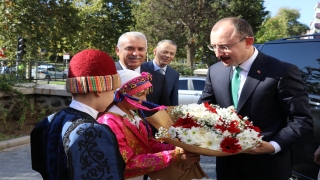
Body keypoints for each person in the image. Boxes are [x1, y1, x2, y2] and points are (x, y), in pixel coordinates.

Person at [198, 17, 313, 180]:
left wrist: (272, 146)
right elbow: (204, 109)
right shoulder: (215, 71)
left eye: (224, 47)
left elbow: (301, 119)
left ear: (248, 41)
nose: (218, 54)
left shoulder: (281, 71)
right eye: (214, 47)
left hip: (268, 168)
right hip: (227, 167)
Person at [31, 49, 125, 180]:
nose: (114, 96)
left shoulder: (49, 121)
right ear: (99, 89)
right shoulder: (93, 132)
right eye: (113, 90)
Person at [97, 69, 200, 179]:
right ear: (120, 95)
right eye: (139, 95)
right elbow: (126, 163)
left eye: (145, 94)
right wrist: (174, 155)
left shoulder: (134, 114)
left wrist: (177, 148)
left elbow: (149, 145)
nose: (144, 99)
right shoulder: (110, 121)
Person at [143, 40, 180, 106]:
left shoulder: (174, 74)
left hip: (162, 114)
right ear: (155, 51)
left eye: (172, 54)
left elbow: (173, 99)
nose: (168, 55)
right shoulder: (141, 68)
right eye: (165, 52)